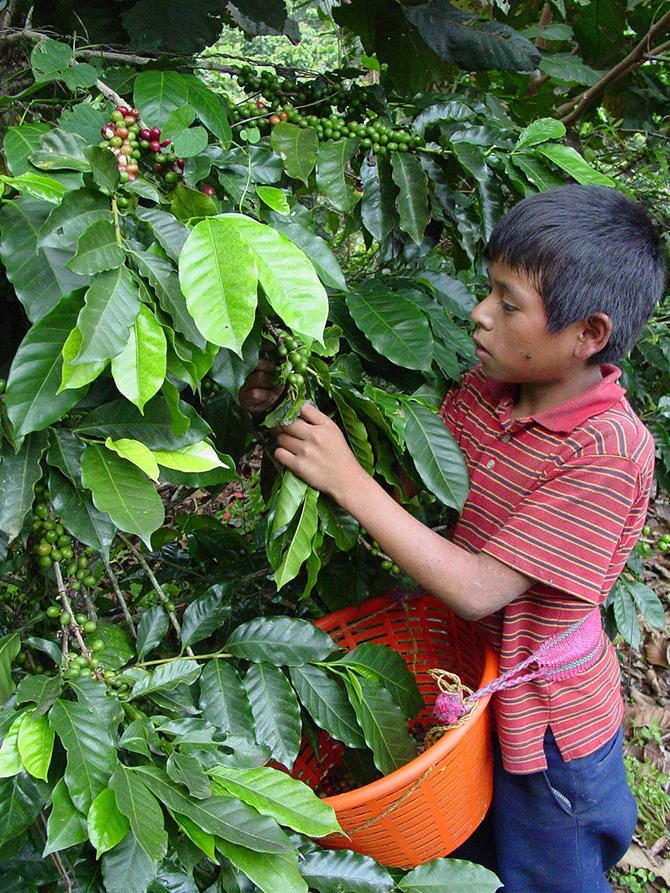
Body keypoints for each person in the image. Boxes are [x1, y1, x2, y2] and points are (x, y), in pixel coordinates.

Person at [239, 184, 666, 892]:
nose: (479, 315)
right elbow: (414, 504)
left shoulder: (609, 449)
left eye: (508, 303)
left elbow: (477, 587)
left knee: (550, 870)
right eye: (486, 290)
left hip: (549, 729)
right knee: (475, 857)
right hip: (467, 686)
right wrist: (289, 408)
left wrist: (347, 479)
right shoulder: (481, 393)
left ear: (588, 333)